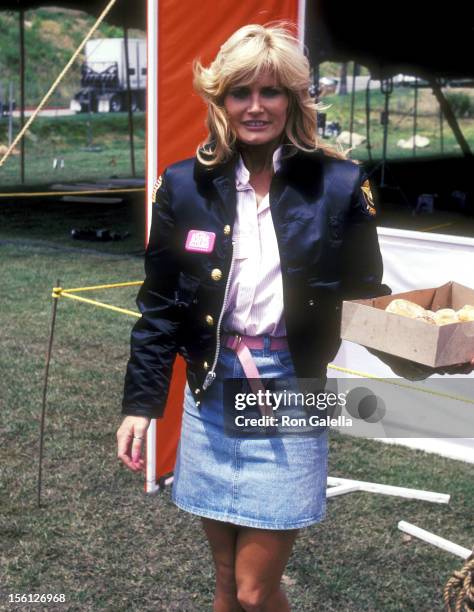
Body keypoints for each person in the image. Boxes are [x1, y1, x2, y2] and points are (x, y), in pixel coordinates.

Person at [116, 23, 473, 611]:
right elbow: (159, 306)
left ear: (294, 99)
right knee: (227, 580)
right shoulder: (182, 186)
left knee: (258, 592)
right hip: (210, 392)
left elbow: (368, 305)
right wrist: (141, 403)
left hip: (293, 388)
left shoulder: (340, 185)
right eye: (240, 92)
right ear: (221, 100)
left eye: (272, 91)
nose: (255, 107)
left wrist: (435, 357)